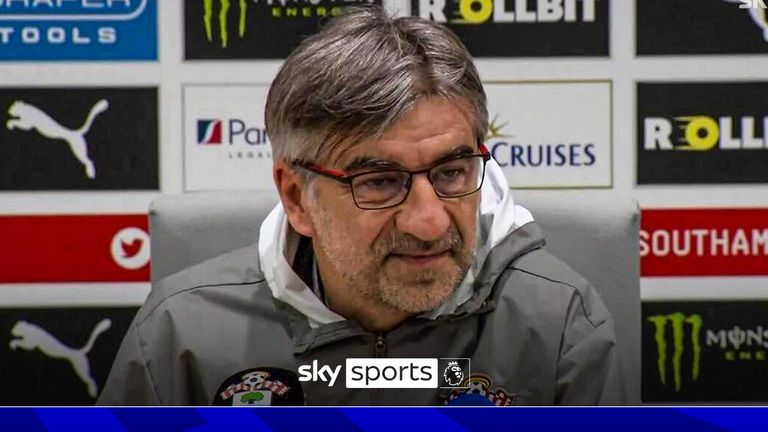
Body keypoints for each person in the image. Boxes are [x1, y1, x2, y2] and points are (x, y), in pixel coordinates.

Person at [98, 6, 624, 406]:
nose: (428, 222)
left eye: (451, 172)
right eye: (379, 182)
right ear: (297, 197)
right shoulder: (182, 334)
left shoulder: (558, 325)